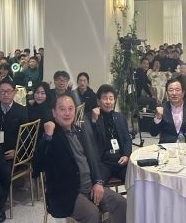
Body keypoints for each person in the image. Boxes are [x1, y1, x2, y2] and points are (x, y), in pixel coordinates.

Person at [36, 93, 127, 223]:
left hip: (90, 186)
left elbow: (94, 161)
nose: (67, 113)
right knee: (92, 213)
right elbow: (37, 166)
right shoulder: (52, 136)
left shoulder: (79, 131)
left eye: (70, 108)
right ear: (54, 112)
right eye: (62, 109)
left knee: (121, 203)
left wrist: (98, 182)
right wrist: (47, 137)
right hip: (67, 194)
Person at [86, 85, 132, 183]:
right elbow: (89, 142)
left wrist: (126, 155)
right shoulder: (90, 117)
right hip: (102, 163)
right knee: (97, 184)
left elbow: (127, 139)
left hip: (120, 160)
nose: (108, 102)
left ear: (114, 101)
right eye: (105, 98)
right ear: (98, 101)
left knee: (135, 180)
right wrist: (94, 121)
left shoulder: (120, 117)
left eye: (111, 98)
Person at [150, 79, 186, 143]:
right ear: (167, 93)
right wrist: (158, 118)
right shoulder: (161, 109)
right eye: (171, 90)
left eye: (177, 90)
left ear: (183, 93)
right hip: (166, 146)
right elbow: (153, 133)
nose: (174, 93)